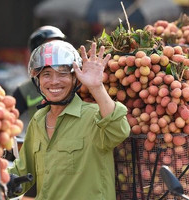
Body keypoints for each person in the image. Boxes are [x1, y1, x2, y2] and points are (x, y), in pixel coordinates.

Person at [7, 40, 131, 199]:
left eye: (62, 73)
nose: (54, 81)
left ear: (75, 79)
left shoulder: (94, 116)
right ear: (38, 81)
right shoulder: (38, 120)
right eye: (46, 74)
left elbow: (119, 130)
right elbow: (23, 173)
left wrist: (96, 87)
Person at [9, 26, 66, 200]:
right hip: (39, 152)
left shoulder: (73, 81)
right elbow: (9, 119)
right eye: (48, 49)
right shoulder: (25, 90)